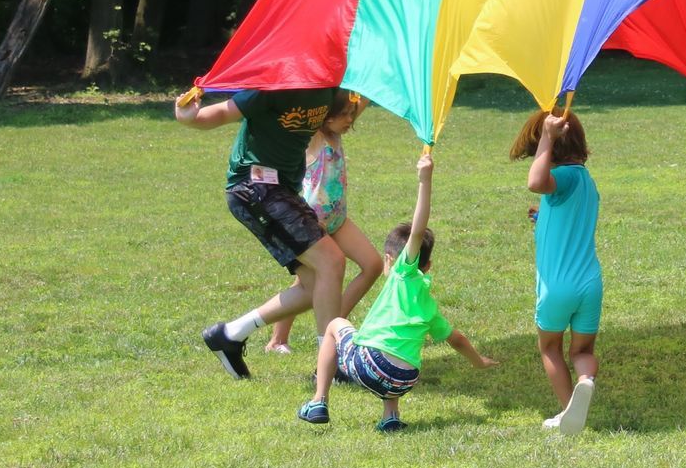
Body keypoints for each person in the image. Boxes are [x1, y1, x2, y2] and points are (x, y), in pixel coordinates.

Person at [298, 153, 497, 429]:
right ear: (430, 267)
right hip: (404, 381)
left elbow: (416, 233)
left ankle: (319, 400)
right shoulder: (429, 307)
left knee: (335, 324)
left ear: (392, 260)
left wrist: (424, 180)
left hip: (371, 366)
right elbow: (458, 339)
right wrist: (479, 361)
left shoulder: (403, 274)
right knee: (396, 346)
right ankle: (390, 418)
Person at [177, 84, 345, 379]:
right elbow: (217, 114)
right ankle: (330, 365)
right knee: (331, 261)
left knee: (314, 283)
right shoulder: (272, 86)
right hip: (254, 187)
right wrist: (187, 116)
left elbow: (349, 109)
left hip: (282, 190)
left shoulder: (329, 88)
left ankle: (229, 335)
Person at [261, 92, 385, 353]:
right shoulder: (313, 137)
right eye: (345, 116)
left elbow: (363, 96)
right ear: (326, 119)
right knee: (309, 282)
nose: (351, 120)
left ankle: (335, 324)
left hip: (337, 219)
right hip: (312, 222)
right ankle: (277, 340)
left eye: (352, 115)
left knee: (372, 264)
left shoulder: (337, 131)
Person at [511, 109, 603, 435]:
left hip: (557, 288)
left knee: (550, 347)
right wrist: (543, 217)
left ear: (551, 149)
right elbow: (568, 219)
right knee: (582, 351)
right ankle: (585, 381)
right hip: (590, 283)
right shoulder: (585, 181)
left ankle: (569, 413)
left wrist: (547, 136)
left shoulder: (562, 176)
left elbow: (536, 181)